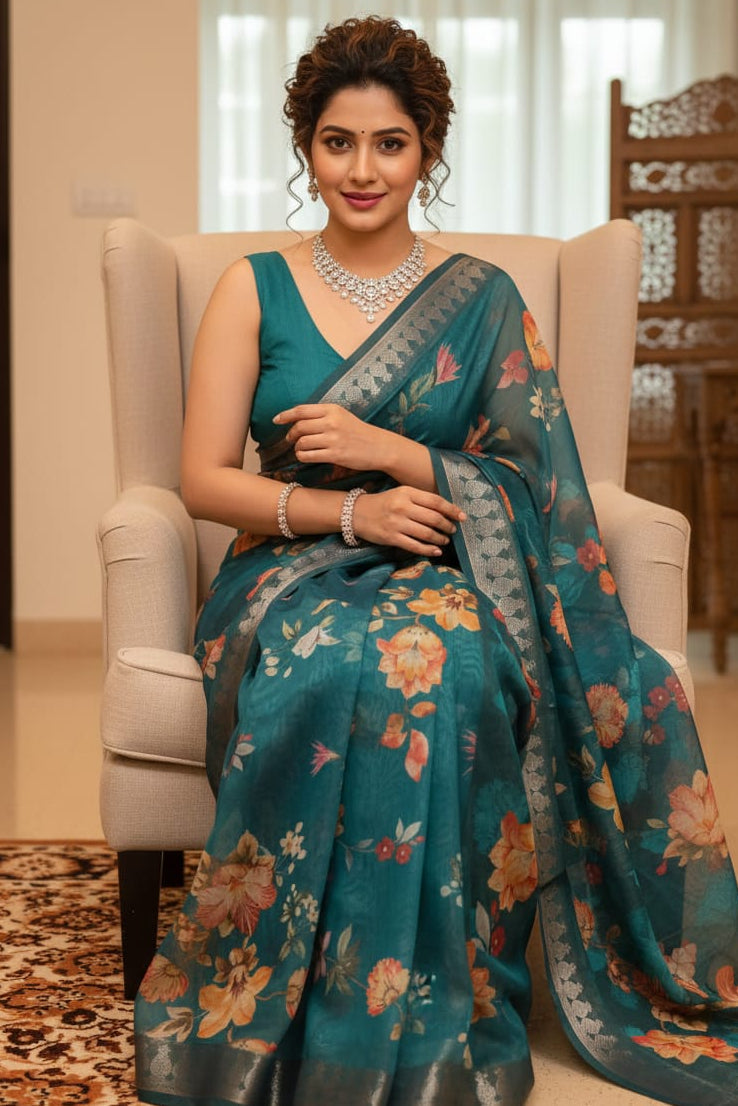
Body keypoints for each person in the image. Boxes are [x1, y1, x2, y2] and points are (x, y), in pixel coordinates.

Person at [134, 16, 738, 1106]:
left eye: (390, 143)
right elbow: (203, 480)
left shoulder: (486, 296)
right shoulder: (251, 286)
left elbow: (539, 482)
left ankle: (432, 1002)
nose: (362, 169)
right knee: (329, 670)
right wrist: (348, 512)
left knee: (451, 666)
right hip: (287, 568)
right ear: (306, 148)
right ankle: (294, 1002)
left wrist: (393, 454)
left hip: (448, 566)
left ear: (429, 151)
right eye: (337, 142)